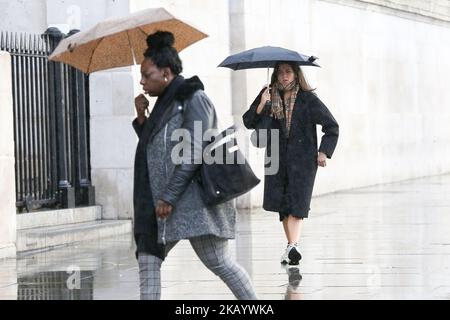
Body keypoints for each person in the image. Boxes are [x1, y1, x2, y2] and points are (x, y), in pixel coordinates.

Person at [132, 31, 257, 300]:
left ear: (165, 73)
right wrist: (141, 117)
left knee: (219, 262)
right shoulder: (164, 103)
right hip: (156, 205)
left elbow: (193, 151)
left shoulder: (193, 98)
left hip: (190, 203)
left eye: (147, 74)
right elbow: (156, 149)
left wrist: (169, 195)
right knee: (148, 260)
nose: (142, 81)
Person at [243, 61, 339, 266]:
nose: (284, 76)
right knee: (283, 206)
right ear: (275, 75)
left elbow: (331, 126)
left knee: (297, 204)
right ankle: (291, 247)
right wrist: (262, 104)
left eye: (288, 72)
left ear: (296, 74)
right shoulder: (267, 95)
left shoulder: (307, 99)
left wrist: (324, 151)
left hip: (303, 160)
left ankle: (293, 246)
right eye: (280, 73)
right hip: (276, 158)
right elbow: (249, 122)